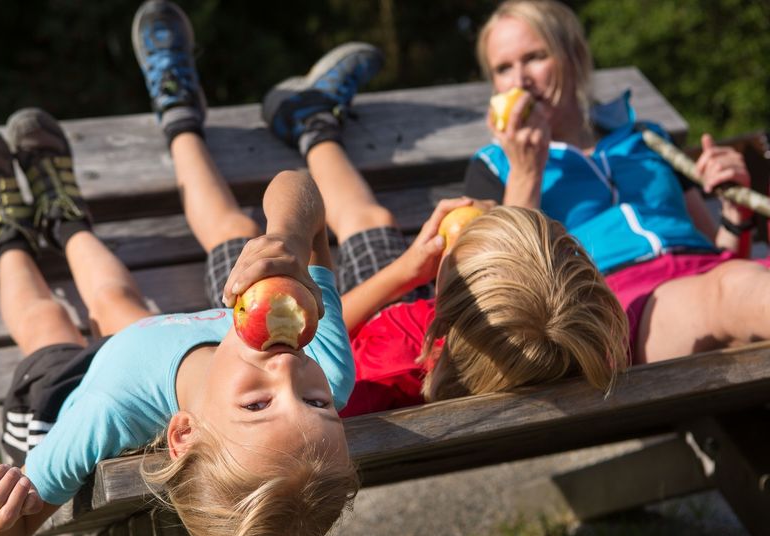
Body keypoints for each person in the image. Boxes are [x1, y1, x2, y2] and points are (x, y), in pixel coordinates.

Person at [0, 9, 359, 536]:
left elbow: (6, 535)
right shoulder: (326, 364)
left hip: (70, 392)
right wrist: (291, 239)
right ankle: (65, 219)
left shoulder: (106, 413)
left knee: (46, 323)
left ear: (184, 433)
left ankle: (7, 235)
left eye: (257, 404)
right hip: (144, 343)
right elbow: (301, 187)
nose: (290, 372)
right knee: (118, 300)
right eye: (318, 403)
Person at [258, 32, 628, 413]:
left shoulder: (389, 361)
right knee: (371, 218)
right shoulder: (571, 351)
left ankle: (306, 123)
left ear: (444, 304)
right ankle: (314, 123)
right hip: (416, 341)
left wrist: (403, 272)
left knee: (234, 228)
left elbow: (318, 336)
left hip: (359, 334)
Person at [464, 0, 769, 364]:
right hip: (614, 306)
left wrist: (734, 214)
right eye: (503, 68)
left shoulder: (645, 139)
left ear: (574, 56)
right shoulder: (494, 167)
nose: (520, 80)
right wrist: (526, 171)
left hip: (714, 282)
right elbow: (505, 296)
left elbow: (718, 254)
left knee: (733, 286)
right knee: (730, 291)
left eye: (534, 58)